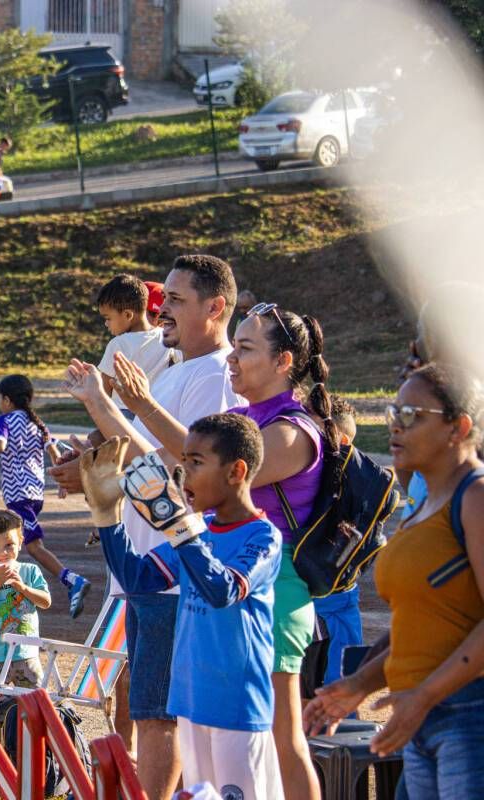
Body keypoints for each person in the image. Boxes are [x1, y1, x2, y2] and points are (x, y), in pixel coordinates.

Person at [57, 254, 242, 800]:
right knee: (147, 700)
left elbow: (183, 467)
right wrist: (94, 471)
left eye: (177, 301)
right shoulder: (182, 368)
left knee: (159, 710)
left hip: (171, 563)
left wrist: (100, 404)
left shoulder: (214, 373)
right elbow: (150, 460)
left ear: (215, 308)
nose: (162, 310)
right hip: (149, 563)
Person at [304, 364, 484, 798]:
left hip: (469, 718)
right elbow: (417, 623)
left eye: (411, 415)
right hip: (420, 719)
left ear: (458, 427)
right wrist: (357, 685)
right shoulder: (423, 504)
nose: (394, 428)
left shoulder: (475, 498)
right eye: (391, 413)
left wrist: (422, 697)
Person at [81, 417, 284, 800]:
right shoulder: (199, 529)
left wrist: (179, 526)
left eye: (195, 462)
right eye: (183, 460)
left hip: (237, 709)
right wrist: (107, 518)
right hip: (190, 703)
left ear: (236, 471)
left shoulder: (263, 536)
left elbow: (222, 590)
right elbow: (139, 579)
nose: (183, 473)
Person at [225, 302, 329, 799]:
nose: (232, 356)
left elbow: (208, 470)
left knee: (281, 738)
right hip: (231, 582)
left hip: (277, 590)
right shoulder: (240, 417)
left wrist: (137, 407)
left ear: (283, 360)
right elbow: (179, 459)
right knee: (239, 736)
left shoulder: (293, 430)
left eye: (245, 347)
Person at [0, 375, 89, 618]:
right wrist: (61, 480)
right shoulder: (37, 423)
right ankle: (12, 588)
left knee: (34, 546)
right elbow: (55, 453)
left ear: (6, 399)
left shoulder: (3, 420)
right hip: (35, 494)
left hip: (18, 493)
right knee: (21, 542)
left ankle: (71, 580)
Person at [0, 508, 52, 709]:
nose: (3, 553)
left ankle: (28, 739)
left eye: (9, 545)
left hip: (26, 654)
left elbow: (45, 601)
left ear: (20, 542)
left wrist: (23, 588)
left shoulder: (30, 571)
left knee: (37, 705)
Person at [310, 395, 364, 689]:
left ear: (340, 440)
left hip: (332, 600)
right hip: (333, 598)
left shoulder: (348, 481)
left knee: (336, 690)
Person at [95, 275, 175, 417]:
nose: (106, 324)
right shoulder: (167, 338)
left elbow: (104, 387)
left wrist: (104, 416)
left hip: (122, 414)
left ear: (127, 315)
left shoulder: (118, 344)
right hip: (154, 414)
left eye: (108, 318)